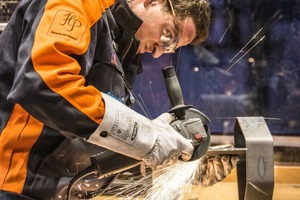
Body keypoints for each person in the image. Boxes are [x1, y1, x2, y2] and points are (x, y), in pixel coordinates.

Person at [0, 0, 236, 199]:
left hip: (51, 189)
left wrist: (160, 153)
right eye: (168, 35)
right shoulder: (79, 4)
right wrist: (146, 136)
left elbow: (91, 131)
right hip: (10, 182)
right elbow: (45, 85)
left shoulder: (122, 45)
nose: (158, 52)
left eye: (170, 48)